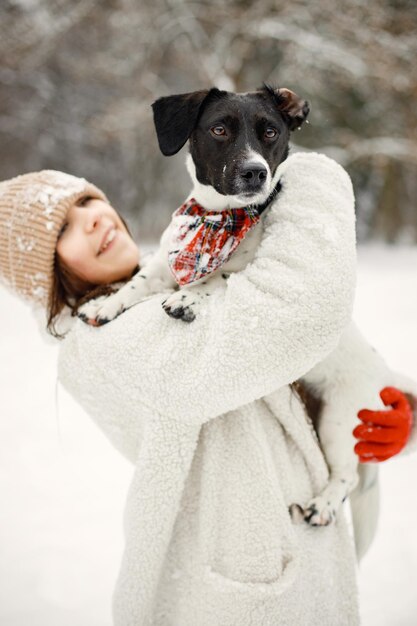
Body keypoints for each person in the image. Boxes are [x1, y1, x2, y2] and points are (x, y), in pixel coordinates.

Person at [0, 155, 414, 626]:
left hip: (299, 560)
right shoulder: (101, 343)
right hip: (240, 594)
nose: (93, 216)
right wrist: (308, 175)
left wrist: (397, 411)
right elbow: (295, 316)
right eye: (64, 229)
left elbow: (318, 358)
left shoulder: (179, 272)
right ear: (45, 274)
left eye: (89, 200)